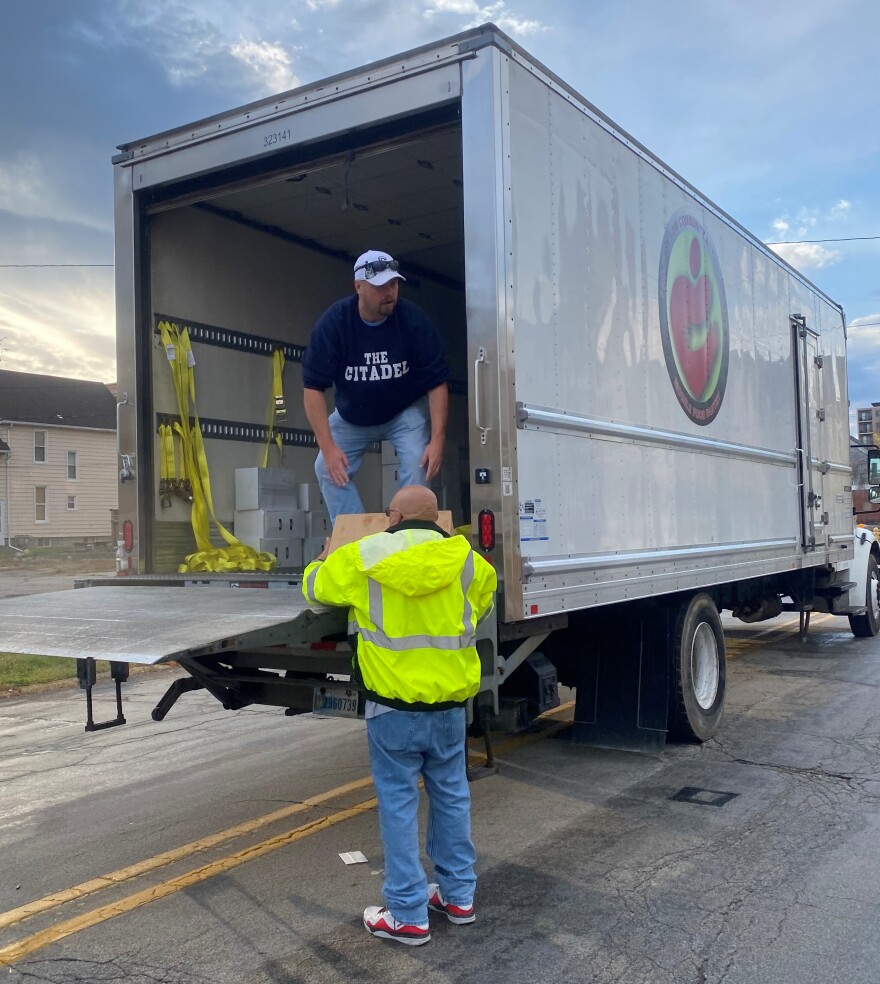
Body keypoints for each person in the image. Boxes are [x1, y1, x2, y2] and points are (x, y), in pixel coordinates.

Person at [302, 485, 497, 946]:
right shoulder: (470, 562)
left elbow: (314, 592)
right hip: (449, 708)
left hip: (391, 709)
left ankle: (408, 914)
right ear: (436, 519)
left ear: (394, 517)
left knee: (398, 805)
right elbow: (480, 606)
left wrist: (323, 557)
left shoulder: (363, 556)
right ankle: (458, 897)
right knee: (452, 796)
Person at [302, 250, 450, 524]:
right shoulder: (334, 324)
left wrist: (438, 439)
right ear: (358, 287)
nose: (389, 292)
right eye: (380, 286)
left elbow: (437, 383)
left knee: (418, 464)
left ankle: (409, 533)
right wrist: (329, 448)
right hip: (352, 417)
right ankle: (355, 535)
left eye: (393, 284)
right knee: (325, 467)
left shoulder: (413, 321)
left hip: (403, 412)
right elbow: (312, 389)